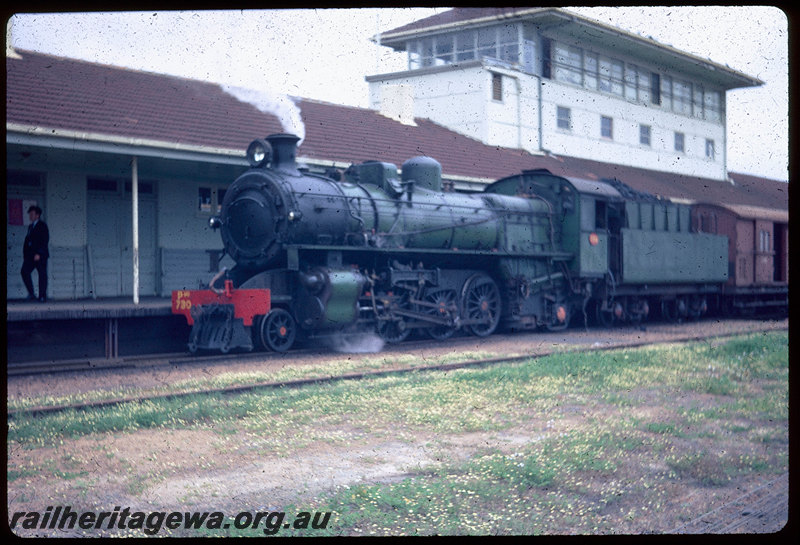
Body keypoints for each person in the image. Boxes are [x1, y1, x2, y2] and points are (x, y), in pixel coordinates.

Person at [21, 205, 49, 302]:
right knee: (24, 271)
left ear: (37, 215)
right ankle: (31, 293)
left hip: (40, 255)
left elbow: (45, 240)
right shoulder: (30, 227)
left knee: (42, 274)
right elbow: (27, 241)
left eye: (32, 214)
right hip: (30, 256)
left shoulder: (42, 226)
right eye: (30, 214)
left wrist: (39, 253)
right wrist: (25, 255)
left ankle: (42, 296)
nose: (30, 216)